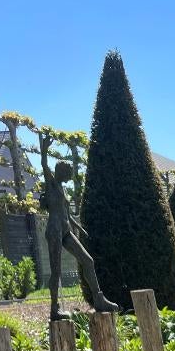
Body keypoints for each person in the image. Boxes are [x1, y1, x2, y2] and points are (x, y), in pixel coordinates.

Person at [40, 133, 118, 321]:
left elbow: (65, 212)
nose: (68, 177)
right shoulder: (51, 184)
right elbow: (44, 165)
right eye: (67, 173)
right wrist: (44, 149)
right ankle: (54, 309)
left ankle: (99, 299)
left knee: (88, 260)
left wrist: (78, 226)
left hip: (66, 229)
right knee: (56, 271)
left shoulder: (63, 189)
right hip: (54, 231)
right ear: (60, 172)